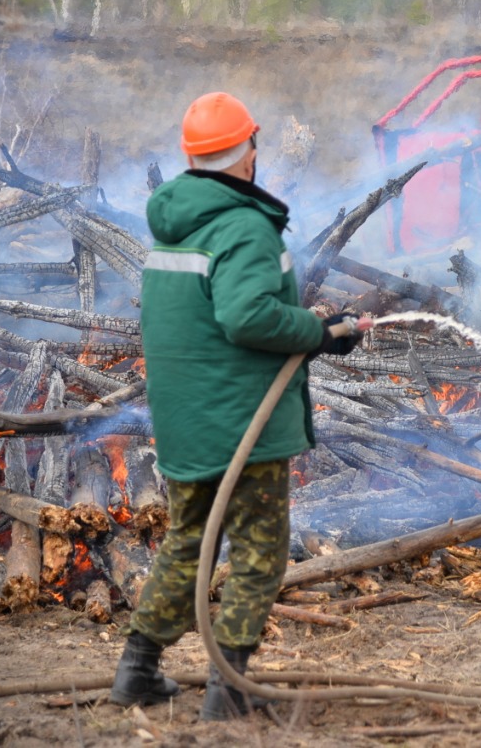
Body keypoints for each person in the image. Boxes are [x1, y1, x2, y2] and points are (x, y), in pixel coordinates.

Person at [109, 92, 360, 719]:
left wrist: (315, 328)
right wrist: (319, 334)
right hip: (243, 420)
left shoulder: (179, 221)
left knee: (188, 541)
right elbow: (246, 315)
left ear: (193, 157)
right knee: (258, 550)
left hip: (189, 419)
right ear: (249, 152)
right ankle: (228, 690)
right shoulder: (244, 224)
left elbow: (209, 316)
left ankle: (136, 670)